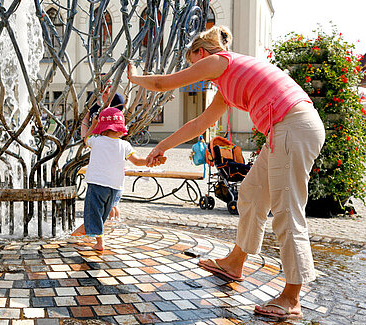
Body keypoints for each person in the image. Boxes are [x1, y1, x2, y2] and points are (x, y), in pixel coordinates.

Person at [127, 25, 325, 321]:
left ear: (200, 52)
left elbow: (161, 84)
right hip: (284, 128)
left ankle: (292, 297)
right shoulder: (226, 84)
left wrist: (133, 77)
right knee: (252, 194)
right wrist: (162, 147)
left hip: (292, 126)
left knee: (286, 210)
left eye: (192, 64)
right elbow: (198, 124)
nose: (195, 71)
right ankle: (234, 262)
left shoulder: (219, 60)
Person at [72, 107, 165, 251]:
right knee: (103, 213)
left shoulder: (96, 140)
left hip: (97, 184)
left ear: (103, 128)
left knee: (93, 211)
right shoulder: (125, 145)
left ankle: (99, 241)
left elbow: (86, 139)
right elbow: (137, 161)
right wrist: (150, 160)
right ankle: (84, 233)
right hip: (115, 187)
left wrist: (93, 125)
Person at [81, 75, 125, 220]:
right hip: (95, 142)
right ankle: (106, 220)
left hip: (109, 144)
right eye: (102, 84)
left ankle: (111, 221)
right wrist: (84, 137)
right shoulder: (93, 98)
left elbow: (119, 123)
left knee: (110, 193)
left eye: (109, 84)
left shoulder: (117, 99)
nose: (106, 87)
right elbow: (86, 118)